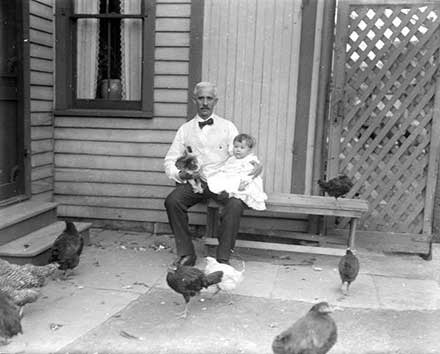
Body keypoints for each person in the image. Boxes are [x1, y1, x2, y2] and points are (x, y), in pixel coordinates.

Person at [164, 82, 261, 266]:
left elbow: (242, 153)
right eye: (201, 98)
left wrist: (256, 166)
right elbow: (169, 161)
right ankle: (187, 254)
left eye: (209, 98)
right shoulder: (185, 130)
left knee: (235, 204)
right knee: (172, 201)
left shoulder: (228, 127)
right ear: (195, 100)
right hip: (196, 182)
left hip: (222, 181)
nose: (205, 103)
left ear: (215, 101)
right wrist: (181, 174)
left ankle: (223, 259)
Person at [207, 133, 267, 211]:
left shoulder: (250, 161)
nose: (238, 150)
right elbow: (226, 169)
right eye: (236, 147)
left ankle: (232, 194)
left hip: (244, 185)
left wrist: (244, 184)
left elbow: (250, 175)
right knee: (217, 178)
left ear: (249, 150)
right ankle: (224, 193)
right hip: (233, 180)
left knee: (236, 191)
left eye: (242, 148)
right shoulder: (232, 159)